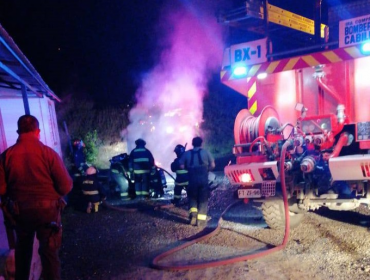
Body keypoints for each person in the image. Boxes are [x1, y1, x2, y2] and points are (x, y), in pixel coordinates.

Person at [0, 115, 73, 280]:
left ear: (18, 131)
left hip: (20, 214)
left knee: (23, 253)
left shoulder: (6, 156)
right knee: (49, 255)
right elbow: (66, 186)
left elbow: (1, 189)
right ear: (37, 131)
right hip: (48, 214)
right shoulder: (48, 154)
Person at [179, 137, 215, 227]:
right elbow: (213, 165)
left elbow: (181, 165)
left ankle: (193, 216)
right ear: (201, 143)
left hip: (192, 178)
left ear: (192, 144)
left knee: (192, 197)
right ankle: (201, 221)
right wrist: (207, 170)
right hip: (203, 179)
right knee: (203, 198)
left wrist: (188, 169)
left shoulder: (187, 153)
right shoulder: (206, 152)